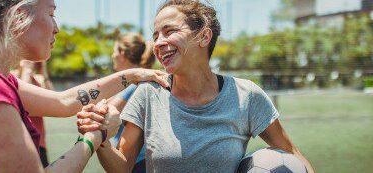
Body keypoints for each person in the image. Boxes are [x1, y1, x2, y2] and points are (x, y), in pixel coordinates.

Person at [0, 0, 169, 173]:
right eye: (51, 13)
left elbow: (63, 102)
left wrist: (132, 75)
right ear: (19, 16)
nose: (57, 27)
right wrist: (94, 137)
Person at [76, 0, 315, 173]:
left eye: (169, 31)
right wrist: (102, 140)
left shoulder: (247, 95)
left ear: (203, 37)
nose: (159, 42)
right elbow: (122, 167)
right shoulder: (148, 93)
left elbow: (291, 154)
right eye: (156, 35)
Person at [109, 32, 156, 173]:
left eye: (114, 51)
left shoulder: (136, 84)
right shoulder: (137, 82)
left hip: (137, 164)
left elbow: (106, 110)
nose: (112, 55)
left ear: (122, 53)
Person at [12, 60, 53, 167]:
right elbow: (21, 101)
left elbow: (52, 100)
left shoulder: (39, 79)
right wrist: (25, 70)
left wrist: (43, 71)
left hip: (39, 141)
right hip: (19, 140)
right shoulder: (12, 76)